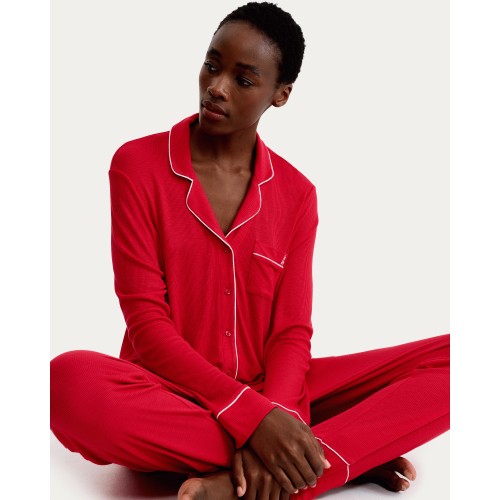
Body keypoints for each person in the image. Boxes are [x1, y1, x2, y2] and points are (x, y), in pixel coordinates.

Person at [50, 2, 450, 499]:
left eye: (243, 79)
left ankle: (272, 467)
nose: (216, 87)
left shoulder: (297, 194)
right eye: (211, 65)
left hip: (275, 395)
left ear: (280, 94)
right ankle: (330, 459)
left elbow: (290, 334)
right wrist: (253, 421)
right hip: (167, 395)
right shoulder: (137, 165)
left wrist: (273, 412)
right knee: (66, 382)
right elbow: (147, 325)